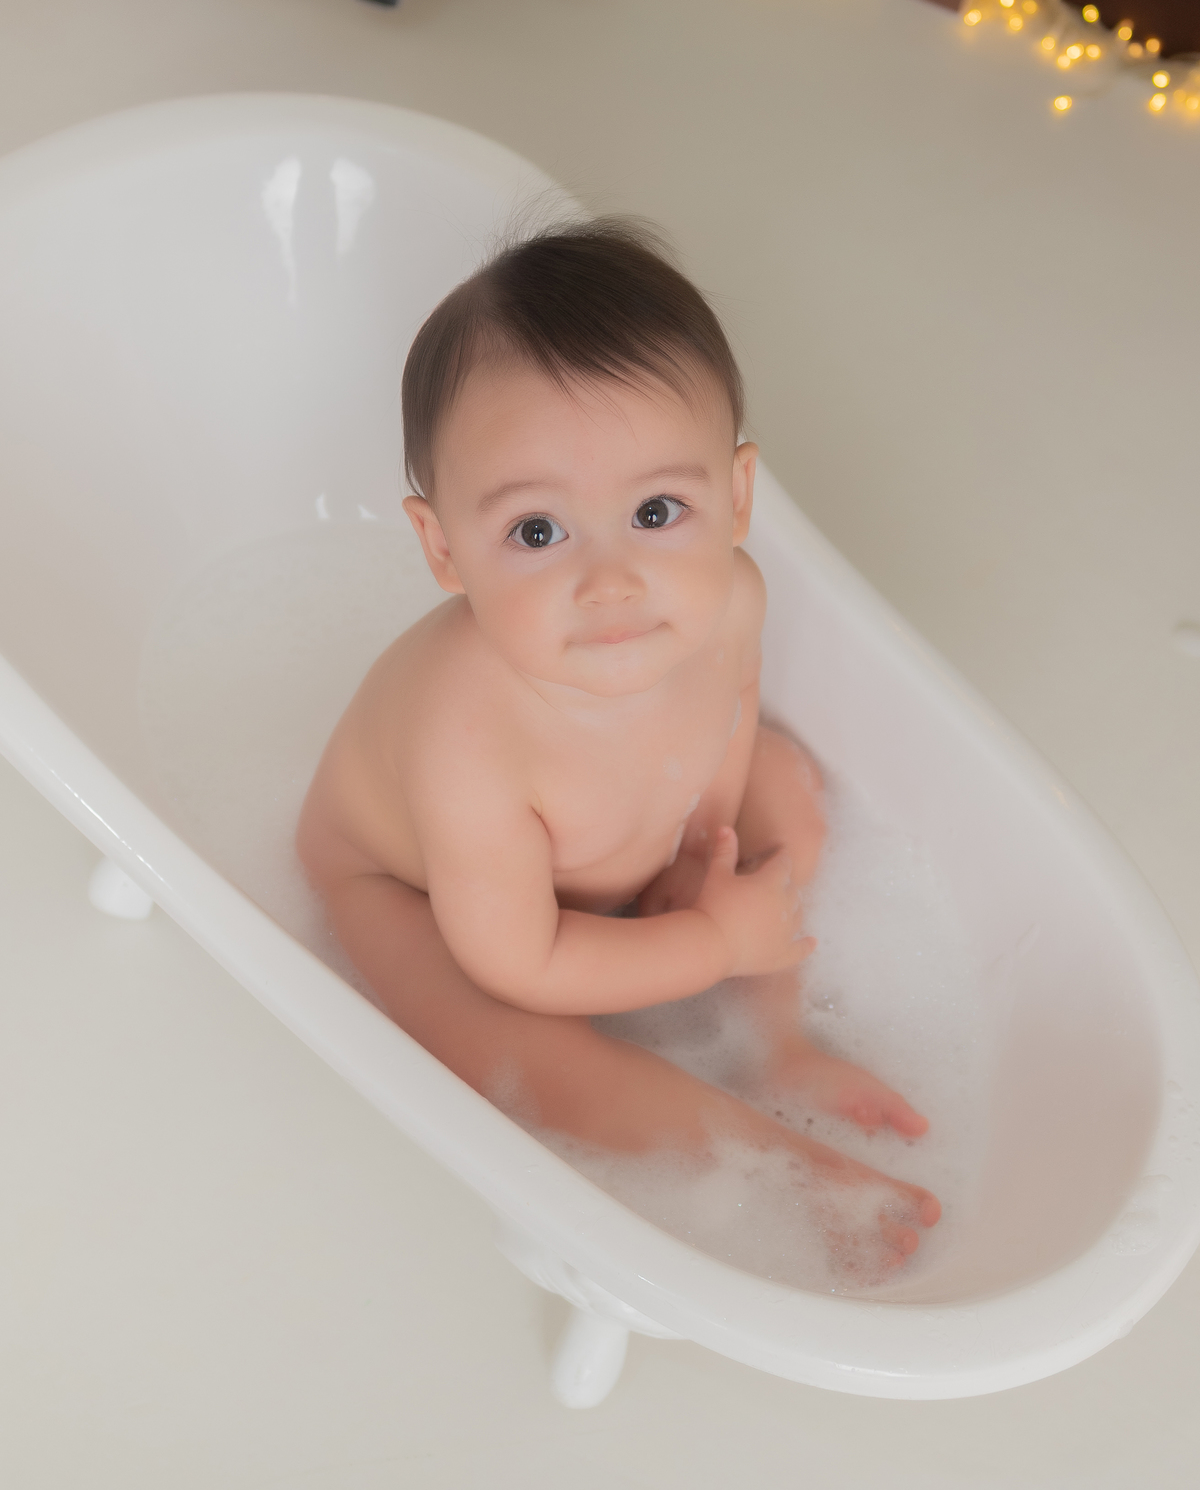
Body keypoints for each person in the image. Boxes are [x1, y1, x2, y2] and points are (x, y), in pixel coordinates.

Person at [298, 221, 940, 1271]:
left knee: (784, 782)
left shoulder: (730, 599)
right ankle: (777, 1160)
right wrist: (712, 941)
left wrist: (705, 853)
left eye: (656, 510)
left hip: (620, 849)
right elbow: (522, 961)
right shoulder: (466, 737)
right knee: (499, 1046)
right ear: (443, 549)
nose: (610, 582)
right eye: (537, 532)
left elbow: (730, 727)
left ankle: (778, 1047)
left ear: (737, 498)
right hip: (423, 895)